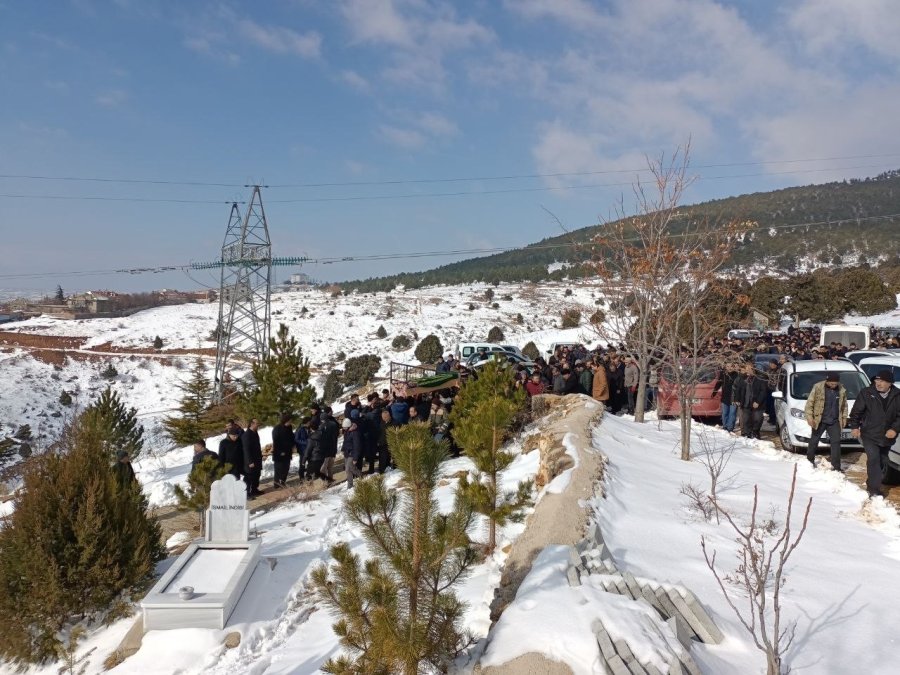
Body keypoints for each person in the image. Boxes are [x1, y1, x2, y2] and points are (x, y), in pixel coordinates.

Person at [849, 369, 900, 498]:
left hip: (887, 435)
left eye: (882, 381)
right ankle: (874, 491)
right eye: (877, 380)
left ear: (890, 383)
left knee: (882, 460)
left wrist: (894, 429)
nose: (878, 383)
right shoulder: (867, 393)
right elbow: (856, 411)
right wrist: (855, 426)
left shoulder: (897, 395)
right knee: (874, 459)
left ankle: (871, 481)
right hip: (869, 434)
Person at [804, 373, 848, 471]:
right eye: (831, 384)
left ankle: (836, 467)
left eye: (835, 384)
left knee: (836, 442)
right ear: (827, 381)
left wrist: (844, 418)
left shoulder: (841, 389)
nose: (834, 385)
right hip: (820, 419)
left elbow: (844, 405)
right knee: (814, 441)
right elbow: (809, 403)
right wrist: (810, 418)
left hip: (834, 420)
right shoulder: (818, 387)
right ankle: (809, 461)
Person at [734, 363, 767, 439]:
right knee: (746, 420)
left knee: (757, 419)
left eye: (750, 369)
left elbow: (763, 391)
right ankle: (747, 434)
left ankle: (755, 432)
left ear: (754, 370)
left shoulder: (760, 378)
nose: (748, 370)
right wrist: (737, 399)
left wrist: (758, 402)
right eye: (746, 369)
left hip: (757, 404)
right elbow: (738, 389)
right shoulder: (742, 378)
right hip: (745, 403)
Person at [713, 363, 740, 432]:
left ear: (734, 367)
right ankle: (725, 426)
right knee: (724, 413)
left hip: (734, 398)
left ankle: (730, 428)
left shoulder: (737, 375)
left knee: (732, 414)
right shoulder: (723, 374)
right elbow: (718, 383)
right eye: (728, 366)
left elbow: (740, 387)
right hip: (725, 397)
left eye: (731, 366)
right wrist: (714, 392)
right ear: (725, 367)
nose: (729, 368)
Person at [271, 412, 294, 488]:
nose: (290, 423)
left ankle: (283, 482)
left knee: (286, 468)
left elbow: (291, 437)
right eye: (289, 421)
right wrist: (280, 451)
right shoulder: (277, 429)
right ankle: (277, 484)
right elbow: (276, 441)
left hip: (287, 452)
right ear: (285, 421)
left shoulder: (289, 427)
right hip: (279, 453)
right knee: (279, 469)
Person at [242, 418, 263, 497]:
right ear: (252, 424)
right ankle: (246, 493)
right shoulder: (247, 435)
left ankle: (254, 489)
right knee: (249, 477)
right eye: (256, 423)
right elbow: (246, 449)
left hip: (257, 459)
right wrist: (250, 461)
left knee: (256, 475)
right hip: (250, 461)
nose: (258, 425)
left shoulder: (255, 433)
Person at [341, 418, 363, 489]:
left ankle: (350, 485)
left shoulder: (355, 433)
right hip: (346, 453)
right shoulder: (347, 432)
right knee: (350, 469)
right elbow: (345, 442)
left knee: (348, 469)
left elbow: (357, 446)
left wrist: (355, 458)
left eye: (345, 428)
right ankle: (359, 476)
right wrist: (342, 449)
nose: (344, 429)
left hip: (352, 453)